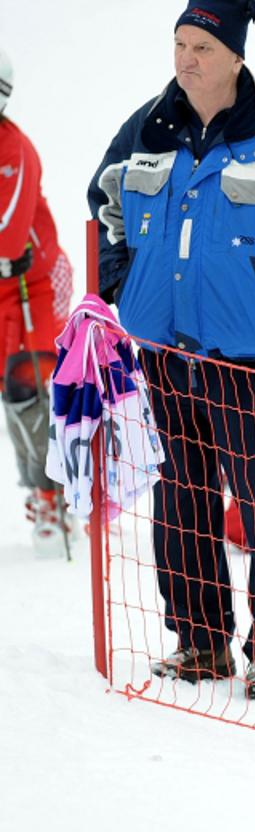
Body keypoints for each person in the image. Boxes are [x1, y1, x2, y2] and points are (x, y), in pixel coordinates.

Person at [87, 0, 255, 699]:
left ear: (234, 55)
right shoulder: (147, 127)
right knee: (181, 496)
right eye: (179, 43)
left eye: (201, 46)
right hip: (165, 355)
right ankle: (200, 641)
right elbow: (105, 205)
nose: (185, 59)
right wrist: (123, 285)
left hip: (248, 357)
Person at [0, 46, 75, 554]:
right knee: (13, 394)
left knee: (32, 392)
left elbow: (8, 236)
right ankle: (44, 489)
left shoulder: (13, 151)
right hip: (4, 291)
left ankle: (57, 493)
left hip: (34, 286)